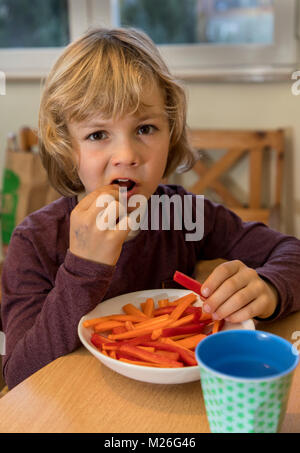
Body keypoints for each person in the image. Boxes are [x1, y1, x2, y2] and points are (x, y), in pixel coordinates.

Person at [1, 28, 300, 390]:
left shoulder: (185, 214)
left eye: (145, 128)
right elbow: (18, 375)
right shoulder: (34, 241)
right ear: (66, 148)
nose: (127, 155)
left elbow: (292, 253)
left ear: (170, 132)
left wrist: (268, 288)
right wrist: (83, 268)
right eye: (98, 135)